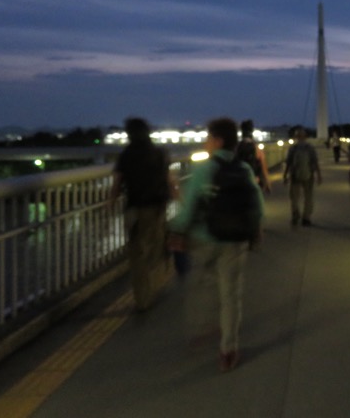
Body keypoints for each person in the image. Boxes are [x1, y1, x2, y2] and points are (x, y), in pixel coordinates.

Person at [169, 117, 264, 372]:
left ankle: (204, 328)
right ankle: (228, 349)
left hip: (206, 238)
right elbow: (257, 204)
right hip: (236, 241)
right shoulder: (243, 169)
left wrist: (177, 231)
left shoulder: (204, 169)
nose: (205, 142)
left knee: (202, 284)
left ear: (218, 141)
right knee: (231, 294)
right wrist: (255, 230)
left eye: (208, 137)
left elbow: (189, 208)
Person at [108, 117, 173, 311]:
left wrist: (110, 203)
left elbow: (117, 182)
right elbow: (168, 179)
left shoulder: (126, 155)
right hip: (156, 208)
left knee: (136, 253)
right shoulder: (159, 153)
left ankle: (141, 298)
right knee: (156, 247)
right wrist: (178, 197)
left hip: (134, 208)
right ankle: (154, 284)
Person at [282, 126, 322, 226]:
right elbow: (315, 162)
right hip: (308, 174)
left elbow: (288, 162)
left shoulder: (293, 148)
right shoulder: (310, 148)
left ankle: (295, 215)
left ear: (296, 137)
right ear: (305, 137)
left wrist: (285, 175)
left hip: (295, 175)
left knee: (294, 197)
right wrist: (319, 175)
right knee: (308, 197)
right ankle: (306, 218)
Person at [236, 119, 272, 194]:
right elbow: (263, 166)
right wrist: (267, 183)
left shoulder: (237, 147)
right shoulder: (255, 148)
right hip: (254, 180)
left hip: (239, 181)